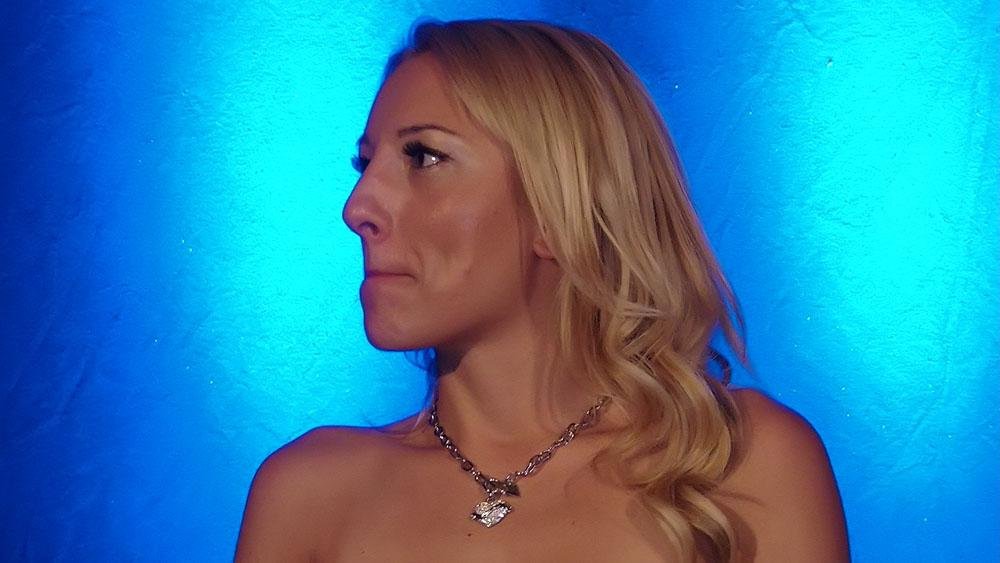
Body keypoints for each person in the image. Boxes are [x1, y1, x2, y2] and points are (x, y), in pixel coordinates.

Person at [234, 18, 849, 562]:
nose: (358, 208)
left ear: (559, 210)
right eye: (365, 164)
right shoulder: (306, 496)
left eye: (423, 157)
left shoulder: (740, 463)